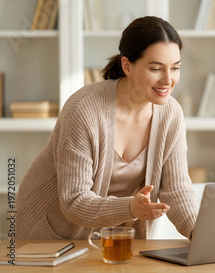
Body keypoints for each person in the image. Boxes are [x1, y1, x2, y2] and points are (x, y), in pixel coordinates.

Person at [16, 16, 198, 240]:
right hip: (50, 239)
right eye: (156, 68)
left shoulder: (171, 115)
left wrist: (200, 234)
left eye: (175, 68)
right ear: (127, 66)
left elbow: (176, 190)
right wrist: (130, 208)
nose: (168, 80)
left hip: (113, 240)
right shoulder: (85, 110)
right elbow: (74, 200)